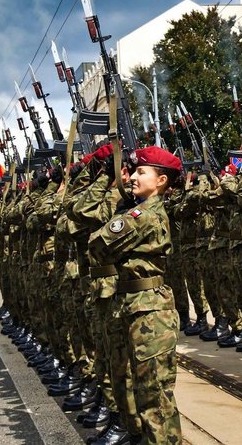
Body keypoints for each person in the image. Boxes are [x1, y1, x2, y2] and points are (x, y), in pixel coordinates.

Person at [88, 146, 183, 445]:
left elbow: (98, 244)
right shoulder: (136, 211)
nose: (133, 177)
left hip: (150, 312)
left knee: (153, 396)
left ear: (162, 181)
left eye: (142, 172)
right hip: (131, 305)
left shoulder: (145, 215)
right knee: (130, 386)